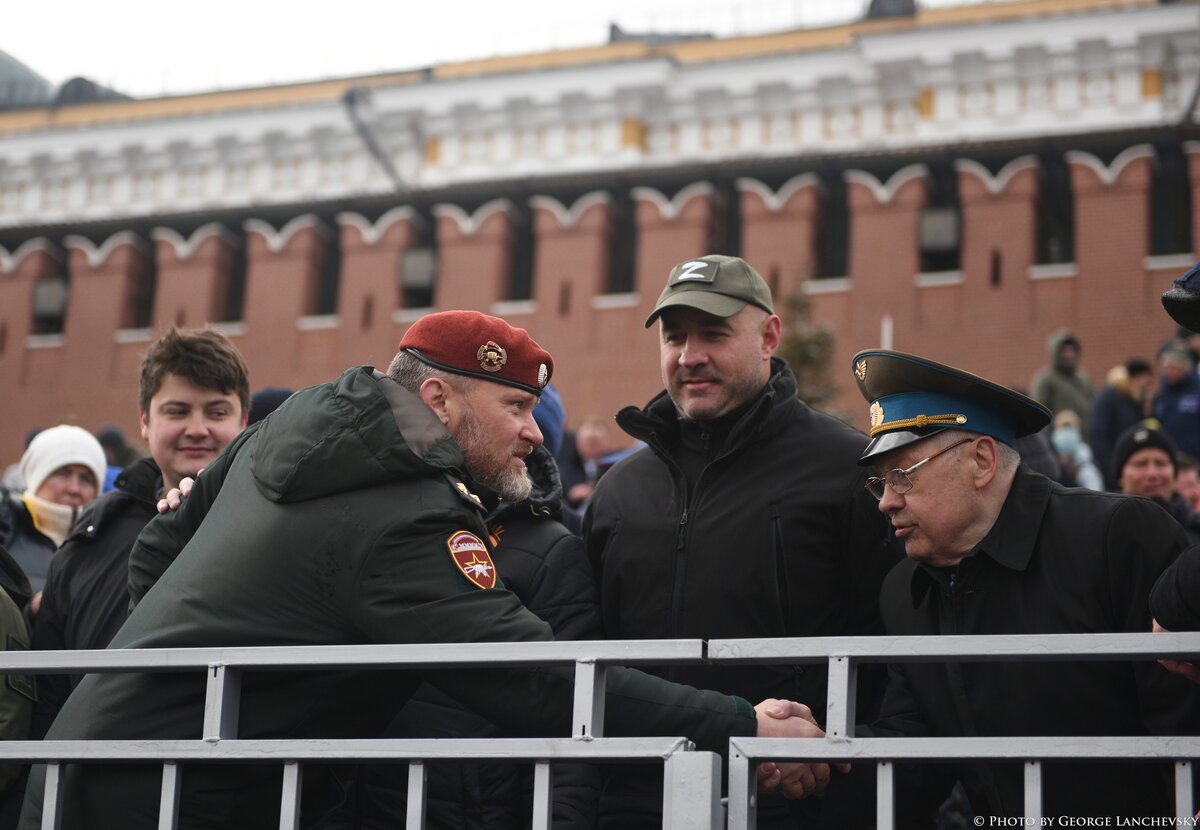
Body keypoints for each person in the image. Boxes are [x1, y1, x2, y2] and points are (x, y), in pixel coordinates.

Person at [20, 311, 832, 830]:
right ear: (439, 402)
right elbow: (535, 677)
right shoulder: (409, 514)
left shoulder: (297, 419)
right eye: (514, 409)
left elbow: (160, 547)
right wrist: (740, 722)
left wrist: (193, 669)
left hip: (91, 776)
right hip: (178, 800)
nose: (535, 435)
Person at [583, 254, 898, 829]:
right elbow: (590, 657)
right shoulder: (618, 492)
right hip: (637, 803)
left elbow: (894, 645)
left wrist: (833, 752)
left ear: (768, 336)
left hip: (799, 802)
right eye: (674, 336)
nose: (690, 356)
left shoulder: (846, 469)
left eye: (714, 333)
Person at [844, 348, 1200, 821]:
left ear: (982, 461)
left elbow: (1184, 723)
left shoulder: (1118, 537)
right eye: (880, 483)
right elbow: (914, 751)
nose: (886, 501)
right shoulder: (905, 589)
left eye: (902, 476)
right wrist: (828, 760)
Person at [352, 387, 602, 830]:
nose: (534, 432)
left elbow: (573, 724)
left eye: (530, 412)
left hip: (477, 811)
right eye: (514, 408)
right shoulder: (363, 522)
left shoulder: (551, 552)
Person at [30, 327, 250, 737]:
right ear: (145, 422)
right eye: (178, 411)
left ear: (244, 422)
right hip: (87, 786)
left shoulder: (272, 528)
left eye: (217, 412)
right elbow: (48, 693)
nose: (197, 428)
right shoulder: (93, 538)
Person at [0, 425, 106, 595]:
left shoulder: (111, 541)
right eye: (62, 474)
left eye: (86, 479)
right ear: (36, 478)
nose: (74, 488)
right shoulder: (5, 532)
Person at [1111, 421, 1200, 543]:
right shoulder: (1103, 534)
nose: (1152, 473)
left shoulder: (1196, 530)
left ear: (1174, 474)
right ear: (1120, 477)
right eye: (1140, 464)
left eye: (1161, 463)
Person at [1087, 358, 1154, 487]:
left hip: (1130, 473)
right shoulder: (1110, 397)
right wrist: (1112, 472)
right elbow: (1098, 436)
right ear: (1137, 377)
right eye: (1147, 381)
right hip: (1115, 475)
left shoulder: (1135, 401)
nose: (1148, 386)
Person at [1029, 329, 1093, 430]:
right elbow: (1038, 415)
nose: (1069, 354)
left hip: (1084, 438)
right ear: (1056, 353)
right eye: (1064, 351)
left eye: (1072, 350)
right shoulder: (1045, 379)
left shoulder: (1083, 378)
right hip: (1058, 438)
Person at [1152, 340, 1200, 462]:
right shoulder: (1162, 394)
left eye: (1173, 368)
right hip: (1171, 457)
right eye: (1166, 368)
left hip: (1195, 457)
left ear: (1185, 368)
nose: (1168, 372)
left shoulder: (1196, 389)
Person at [1048, 409, 1103, 490]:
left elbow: (1095, 489)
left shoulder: (1084, 462)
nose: (1067, 433)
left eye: (1070, 427)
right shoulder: (1050, 455)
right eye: (1063, 427)